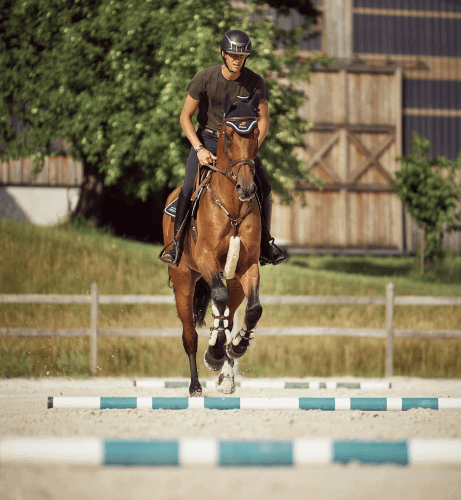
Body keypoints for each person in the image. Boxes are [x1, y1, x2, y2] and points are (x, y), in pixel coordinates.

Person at [159, 29, 287, 268]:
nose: (237, 60)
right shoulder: (205, 78)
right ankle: (176, 244)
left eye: (242, 56)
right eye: (232, 55)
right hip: (207, 142)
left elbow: (264, 119)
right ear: (223, 54)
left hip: (241, 147)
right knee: (187, 187)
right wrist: (198, 148)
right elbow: (185, 116)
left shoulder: (255, 82)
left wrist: (251, 148)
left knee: (265, 188)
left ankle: (265, 246)